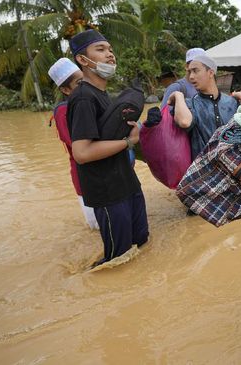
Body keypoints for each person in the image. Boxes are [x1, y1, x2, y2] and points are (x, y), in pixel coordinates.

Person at [67, 29, 148, 267]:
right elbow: (81, 153)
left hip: (126, 182)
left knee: (140, 242)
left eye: (111, 49)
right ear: (83, 60)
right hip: (107, 191)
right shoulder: (83, 98)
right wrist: (129, 142)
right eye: (101, 50)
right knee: (118, 258)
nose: (110, 55)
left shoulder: (102, 94)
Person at [47, 58, 99, 229]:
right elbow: (80, 145)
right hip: (86, 178)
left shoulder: (90, 102)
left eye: (84, 80)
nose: (85, 86)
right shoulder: (63, 112)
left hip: (103, 175)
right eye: (78, 83)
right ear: (65, 90)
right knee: (99, 229)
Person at [167, 54, 239, 161]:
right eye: (190, 72)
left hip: (233, 167)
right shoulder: (190, 104)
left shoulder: (232, 102)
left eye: (195, 71)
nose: (191, 76)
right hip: (204, 172)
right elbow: (184, 122)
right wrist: (179, 95)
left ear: (210, 72)